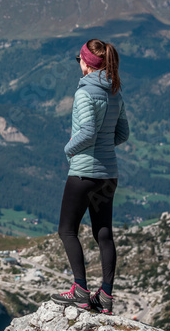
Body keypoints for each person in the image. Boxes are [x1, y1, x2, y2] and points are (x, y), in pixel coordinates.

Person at [51, 39, 129, 315]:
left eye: (79, 59)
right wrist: (105, 149)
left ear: (86, 64)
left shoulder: (85, 94)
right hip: (109, 174)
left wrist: (68, 149)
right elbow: (122, 134)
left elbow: (86, 133)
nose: (79, 63)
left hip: (84, 173)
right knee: (103, 233)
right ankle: (105, 296)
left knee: (67, 230)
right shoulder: (115, 93)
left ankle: (80, 291)